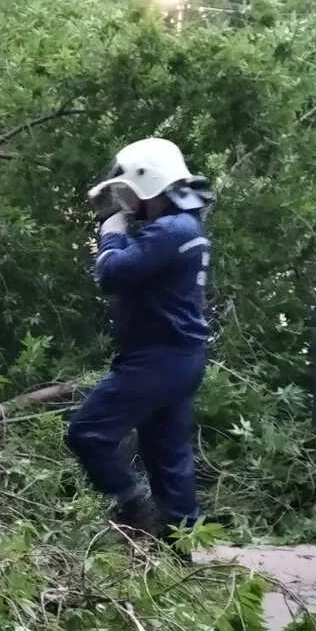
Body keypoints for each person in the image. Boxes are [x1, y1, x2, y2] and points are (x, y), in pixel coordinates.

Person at [66, 138, 215, 541]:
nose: (125, 197)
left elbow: (112, 275)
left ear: (148, 185)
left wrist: (110, 230)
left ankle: (133, 507)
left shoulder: (169, 230)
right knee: (169, 458)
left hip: (157, 359)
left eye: (128, 189)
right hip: (181, 357)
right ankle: (181, 552)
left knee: (87, 432)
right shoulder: (187, 227)